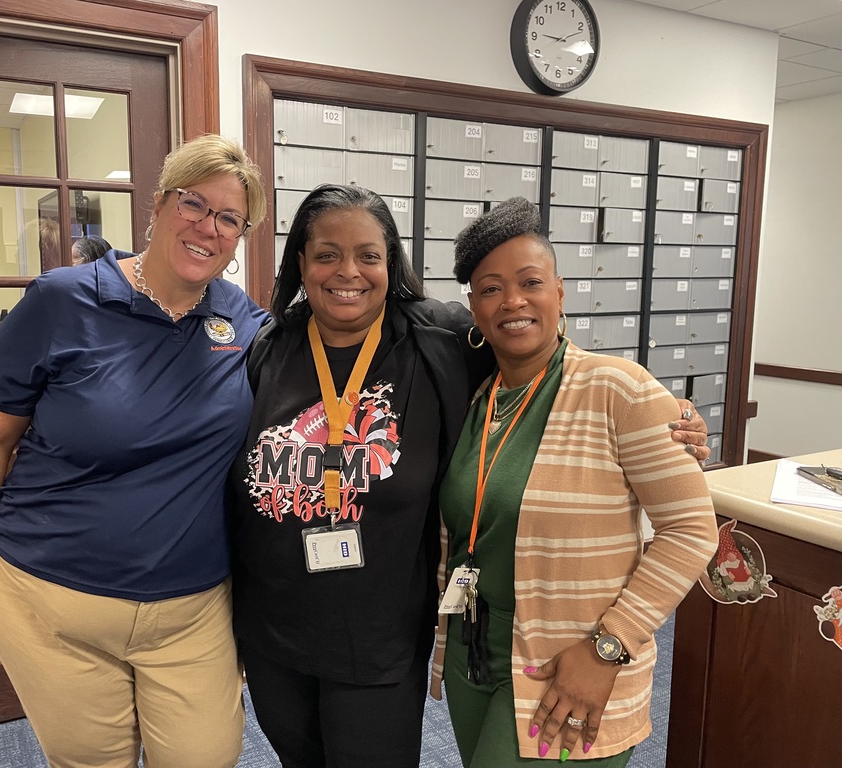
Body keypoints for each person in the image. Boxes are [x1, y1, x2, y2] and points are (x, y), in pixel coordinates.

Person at [230, 184, 710, 768]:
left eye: (369, 255)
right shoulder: (265, 349)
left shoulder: (442, 342)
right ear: (300, 264)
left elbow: (547, 360)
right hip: (280, 632)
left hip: (383, 640)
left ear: (392, 263)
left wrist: (671, 420)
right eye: (326, 254)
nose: (347, 271)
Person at [0, 134, 267, 768]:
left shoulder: (244, 322)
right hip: (51, 601)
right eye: (195, 204)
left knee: (207, 756)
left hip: (192, 610)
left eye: (230, 218)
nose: (209, 227)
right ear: (161, 203)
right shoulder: (61, 301)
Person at [436, 196, 719, 766]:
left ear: (559, 294)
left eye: (529, 282)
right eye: (490, 289)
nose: (512, 301)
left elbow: (691, 530)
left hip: (568, 661)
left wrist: (608, 648)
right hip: (475, 652)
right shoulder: (473, 399)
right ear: (473, 307)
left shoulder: (619, 389)